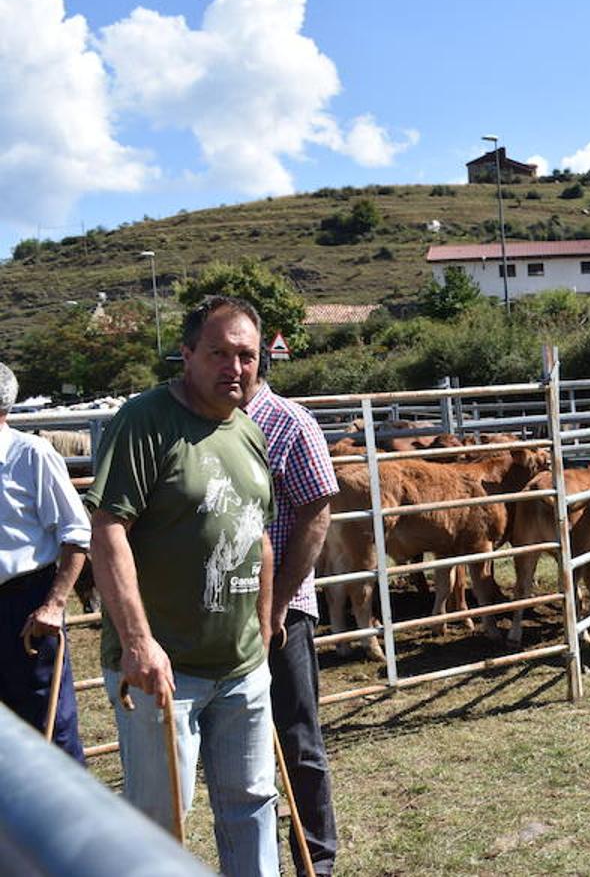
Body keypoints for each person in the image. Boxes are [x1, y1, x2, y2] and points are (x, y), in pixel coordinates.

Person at [87, 296, 279, 877]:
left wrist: (264, 629)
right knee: (161, 821)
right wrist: (138, 643)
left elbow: (259, 537)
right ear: (187, 353)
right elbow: (107, 529)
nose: (235, 368)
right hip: (165, 670)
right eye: (219, 353)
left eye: (246, 355)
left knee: (252, 805)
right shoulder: (146, 421)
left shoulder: (248, 431)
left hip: (241, 666)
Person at [242, 344, 340, 875]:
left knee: (297, 739)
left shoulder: (289, 423)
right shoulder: (202, 424)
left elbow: (316, 515)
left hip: (283, 610)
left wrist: (277, 604)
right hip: (220, 613)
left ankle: (315, 862)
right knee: (240, 747)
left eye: (246, 356)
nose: (234, 368)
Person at [0, 362, 90, 762]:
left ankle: (69, 821)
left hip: (24, 606)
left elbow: (77, 533)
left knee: (48, 729)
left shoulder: (31, 454)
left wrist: (54, 605)